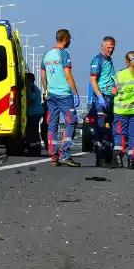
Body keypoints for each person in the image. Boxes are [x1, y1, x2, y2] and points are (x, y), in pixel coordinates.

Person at [41, 28, 81, 166]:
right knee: (70, 122)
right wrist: (75, 93)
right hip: (64, 94)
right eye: (69, 39)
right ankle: (65, 154)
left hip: (51, 95)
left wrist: (46, 90)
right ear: (66, 39)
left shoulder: (46, 54)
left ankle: (53, 156)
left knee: (52, 125)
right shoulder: (63, 53)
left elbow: (43, 75)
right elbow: (68, 74)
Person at [88, 36, 118, 162]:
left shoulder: (109, 61)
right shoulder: (98, 60)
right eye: (108, 47)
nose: (110, 50)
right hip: (101, 98)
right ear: (103, 46)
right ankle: (99, 157)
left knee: (109, 128)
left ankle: (107, 155)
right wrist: (99, 96)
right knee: (100, 127)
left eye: (112, 48)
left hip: (110, 98)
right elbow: (93, 79)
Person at [113, 51, 134, 168]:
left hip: (120, 111)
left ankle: (118, 158)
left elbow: (114, 91)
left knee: (120, 134)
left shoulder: (120, 75)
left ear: (127, 61)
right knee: (133, 136)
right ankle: (132, 160)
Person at [25, 72, 45, 155]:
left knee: (31, 132)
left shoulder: (31, 88)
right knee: (35, 132)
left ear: (28, 79)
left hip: (34, 113)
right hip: (36, 112)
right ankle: (36, 149)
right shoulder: (34, 87)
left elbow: (31, 101)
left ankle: (33, 150)